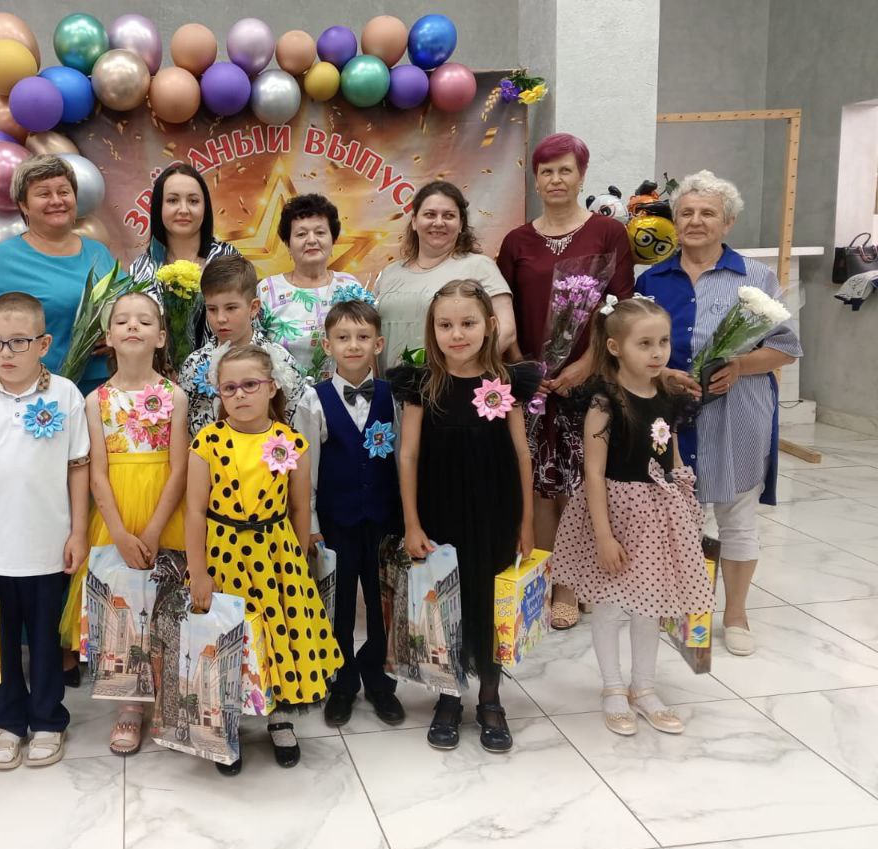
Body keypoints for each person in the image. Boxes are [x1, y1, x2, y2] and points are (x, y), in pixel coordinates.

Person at [635, 170, 801, 657]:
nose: (695, 220)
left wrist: (741, 365)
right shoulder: (651, 279)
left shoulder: (755, 277)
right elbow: (629, 346)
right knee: (676, 515)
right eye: (686, 212)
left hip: (737, 412)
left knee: (737, 517)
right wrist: (661, 373)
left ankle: (735, 614)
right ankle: (684, 605)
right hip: (669, 415)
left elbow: (787, 348)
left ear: (727, 223)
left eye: (707, 213)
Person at [550, 295, 714, 736]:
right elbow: (594, 471)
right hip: (615, 515)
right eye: (645, 344)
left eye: (663, 342)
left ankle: (644, 688)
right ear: (615, 347)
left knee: (650, 607)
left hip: (658, 518)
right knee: (608, 606)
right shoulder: (605, 402)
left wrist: (686, 506)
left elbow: (672, 455)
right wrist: (604, 537)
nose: (657, 352)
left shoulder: (667, 396)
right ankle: (612, 687)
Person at [0, 292, 90, 769]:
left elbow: (78, 468)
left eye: (19, 342)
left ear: (43, 343)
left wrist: (79, 532)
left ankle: (48, 720)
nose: (5, 353)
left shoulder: (65, 395)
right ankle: (6, 721)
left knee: (45, 641)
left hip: (47, 545)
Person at [496, 133, 634, 629]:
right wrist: (524, 369)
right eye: (546, 171)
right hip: (534, 384)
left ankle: (582, 580)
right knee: (539, 484)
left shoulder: (608, 233)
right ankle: (554, 583)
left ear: (581, 176)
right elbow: (503, 313)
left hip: (591, 380)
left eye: (565, 170)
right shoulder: (516, 241)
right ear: (535, 179)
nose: (556, 179)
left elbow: (621, 307)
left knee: (584, 482)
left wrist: (588, 363)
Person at [186, 343, 343, 776]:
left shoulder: (290, 443)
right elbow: (195, 511)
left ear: (271, 388)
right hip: (223, 557)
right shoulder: (208, 441)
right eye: (229, 388)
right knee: (230, 639)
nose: (239, 394)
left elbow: (299, 507)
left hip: (276, 558)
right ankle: (228, 722)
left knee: (278, 636)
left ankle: (280, 717)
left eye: (250, 385)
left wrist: (298, 559)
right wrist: (198, 572)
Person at [393, 280, 536, 754]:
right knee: (445, 603)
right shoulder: (421, 385)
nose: (457, 334)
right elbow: (408, 455)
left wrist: (527, 522)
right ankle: (449, 695)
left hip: (496, 508)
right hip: (440, 510)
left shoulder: (506, 382)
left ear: (490, 326)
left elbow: (522, 453)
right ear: (432, 330)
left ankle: (491, 697)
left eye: (468, 323)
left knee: (489, 600)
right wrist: (412, 523)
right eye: (446, 325)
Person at [62, 291, 188, 755]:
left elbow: (179, 469)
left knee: (165, 606)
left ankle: (172, 697)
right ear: (108, 337)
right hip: (115, 515)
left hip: (165, 514)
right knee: (123, 611)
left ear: (161, 336)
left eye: (144, 320)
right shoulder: (95, 400)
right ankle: (130, 705)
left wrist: (153, 530)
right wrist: (116, 531)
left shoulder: (175, 396)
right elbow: (96, 472)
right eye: (122, 320)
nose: (133, 326)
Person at [298, 298, 404, 728]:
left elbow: (401, 460)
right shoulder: (314, 400)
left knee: (381, 604)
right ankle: (342, 682)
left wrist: (405, 519)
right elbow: (306, 470)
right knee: (339, 606)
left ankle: (379, 680)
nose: (353, 345)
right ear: (327, 345)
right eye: (343, 337)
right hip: (336, 522)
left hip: (382, 520)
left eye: (363, 337)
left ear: (378, 343)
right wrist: (311, 525)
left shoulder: (392, 396)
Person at [0, 155, 117, 395]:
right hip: (41, 395)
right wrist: (24, 386)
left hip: (105, 391)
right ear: (24, 205)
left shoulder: (98, 252)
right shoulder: (3, 260)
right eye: (44, 194)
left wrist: (115, 338)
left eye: (64, 192)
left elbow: (125, 311)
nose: (56, 201)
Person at [374, 181, 516, 371]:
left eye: (449, 215)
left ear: (461, 224)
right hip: (387, 385)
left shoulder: (480, 267)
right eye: (430, 214)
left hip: (447, 386)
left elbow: (506, 331)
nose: (439, 222)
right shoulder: (389, 273)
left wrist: (461, 374)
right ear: (414, 221)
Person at [179, 255, 305, 436]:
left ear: (253, 307)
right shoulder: (194, 364)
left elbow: (295, 425)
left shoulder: (279, 362)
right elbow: (184, 427)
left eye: (231, 308)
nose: (220, 318)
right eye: (212, 309)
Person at [128, 163, 239, 350]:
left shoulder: (228, 259)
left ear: (205, 207)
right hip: (157, 368)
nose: (184, 209)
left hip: (225, 365)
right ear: (159, 207)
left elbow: (250, 325)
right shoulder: (140, 269)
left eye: (193, 201)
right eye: (172, 200)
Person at [256, 193, 361, 378]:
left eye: (320, 232)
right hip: (282, 394)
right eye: (301, 234)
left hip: (342, 393)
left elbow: (366, 344)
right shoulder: (267, 290)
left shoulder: (349, 286)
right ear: (288, 243)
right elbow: (253, 351)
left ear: (333, 239)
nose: (311, 240)